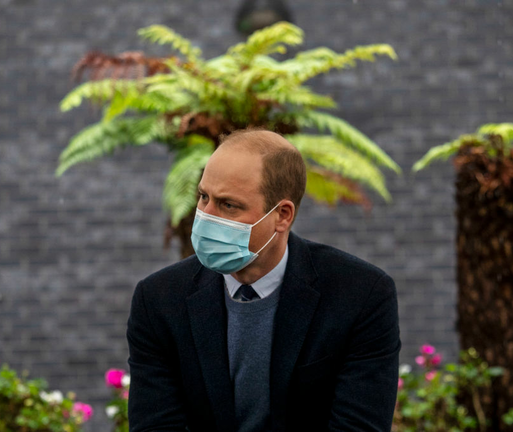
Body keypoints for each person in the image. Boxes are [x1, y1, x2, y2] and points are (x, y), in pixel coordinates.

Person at [126, 129, 401, 432]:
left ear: (282, 215)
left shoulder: (360, 296)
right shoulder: (159, 301)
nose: (206, 216)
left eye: (229, 205)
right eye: (204, 197)